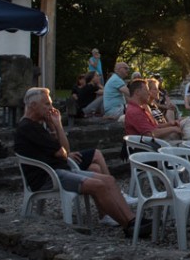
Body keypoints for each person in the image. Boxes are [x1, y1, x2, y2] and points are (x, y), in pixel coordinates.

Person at [14, 87, 143, 237]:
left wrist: (57, 128)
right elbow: (63, 152)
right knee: (99, 185)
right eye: (47, 104)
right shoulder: (29, 127)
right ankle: (127, 225)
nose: (51, 108)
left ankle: (133, 220)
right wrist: (57, 126)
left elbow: (64, 151)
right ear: (33, 106)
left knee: (109, 180)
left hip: (61, 170)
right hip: (48, 177)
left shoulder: (36, 126)